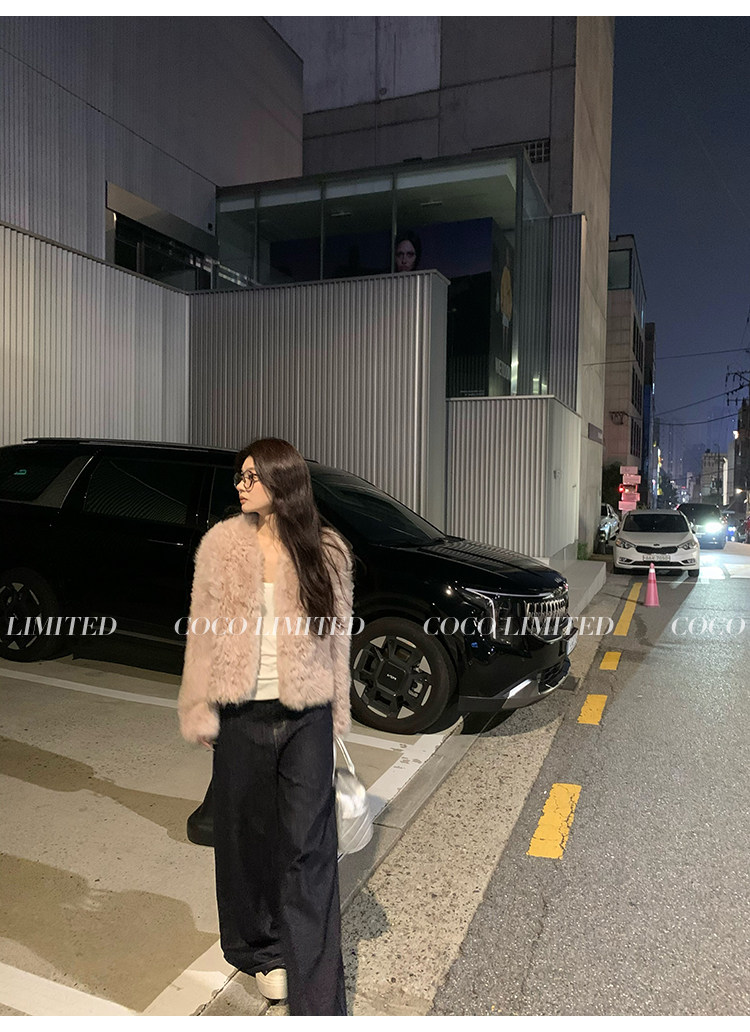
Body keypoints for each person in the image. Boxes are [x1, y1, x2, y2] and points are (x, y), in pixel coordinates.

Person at [177, 437, 354, 1016]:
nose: (241, 484)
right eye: (240, 476)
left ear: (283, 481)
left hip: (306, 716)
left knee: (310, 852)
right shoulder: (222, 545)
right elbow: (202, 632)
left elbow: (338, 639)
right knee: (245, 845)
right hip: (242, 715)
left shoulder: (327, 550)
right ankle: (264, 950)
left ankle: (319, 1004)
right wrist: (199, 706)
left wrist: (337, 712)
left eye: (252, 475)